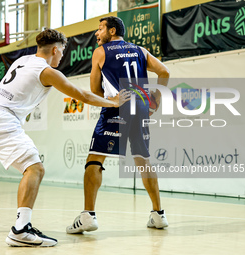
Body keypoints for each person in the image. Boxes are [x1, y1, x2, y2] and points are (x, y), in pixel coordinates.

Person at [0, 29, 130, 247]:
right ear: (55, 50)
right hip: (2, 120)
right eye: (62, 51)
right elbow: (81, 95)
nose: (62, 56)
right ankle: (20, 229)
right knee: (35, 168)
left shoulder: (23, 60)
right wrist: (114, 102)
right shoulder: (47, 72)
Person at [66, 16, 170, 234]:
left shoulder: (101, 52)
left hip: (117, 106)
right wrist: (156, 99)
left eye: (100, 29)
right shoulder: (141, 50)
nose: (96, 33)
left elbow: (95, 90)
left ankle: (88, 215)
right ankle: (158, 214)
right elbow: (164, 72)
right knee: (143, 158)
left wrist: (112, 101)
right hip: (141, 107)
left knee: (95, 158)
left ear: (112, 31)